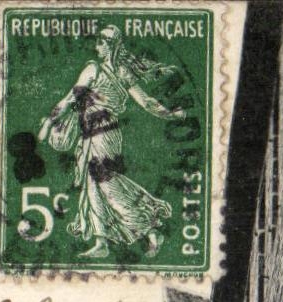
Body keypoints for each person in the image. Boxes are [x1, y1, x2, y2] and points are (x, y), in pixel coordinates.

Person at [36, 24, 194, 262]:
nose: (96, 45)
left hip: (101, 134)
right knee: (93, 186)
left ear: (109, 45)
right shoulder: (120, 72)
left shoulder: (94, 69)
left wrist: (49, 121)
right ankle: (102, 242)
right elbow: (147, 102)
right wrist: (170, 115)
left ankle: (150, 228)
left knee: (107, 184)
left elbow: (70, 99)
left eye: (100, 41)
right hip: (94, 134)